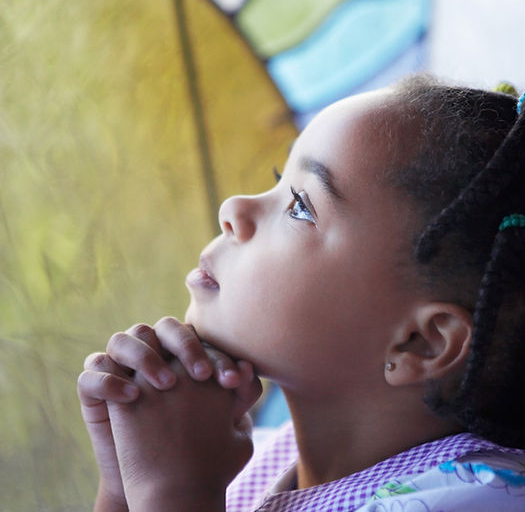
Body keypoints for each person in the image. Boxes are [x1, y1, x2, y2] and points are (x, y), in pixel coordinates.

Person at [77, 75, 525, 511]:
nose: (233, 208)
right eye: (278, 178)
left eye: (300, 206)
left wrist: (171, 493)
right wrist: (124, 488)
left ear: (421, 343)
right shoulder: (255, 461)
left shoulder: (480, 496)